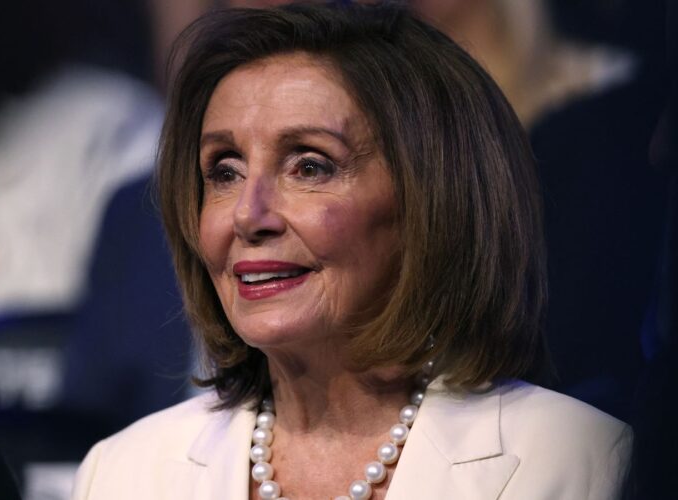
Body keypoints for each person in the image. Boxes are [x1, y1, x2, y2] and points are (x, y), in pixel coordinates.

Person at [72, 3, 631, 499]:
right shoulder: (123, 474)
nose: (248, 214)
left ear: (432, 199)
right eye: (224, 171)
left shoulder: (579, 461)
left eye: (309, 166)